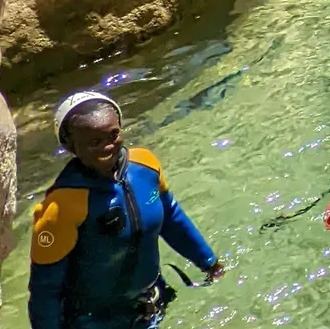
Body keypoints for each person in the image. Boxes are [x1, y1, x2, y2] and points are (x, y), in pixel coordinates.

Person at [28, 91, 223, 329]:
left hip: (150, 303)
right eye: (94, 142)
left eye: (114, 134)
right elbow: (45, 289)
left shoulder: (146, 166)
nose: (108, 146)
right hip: (93, 322)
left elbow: (172, 218)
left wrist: (209, 263)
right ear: (70, 146)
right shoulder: (60, 207)